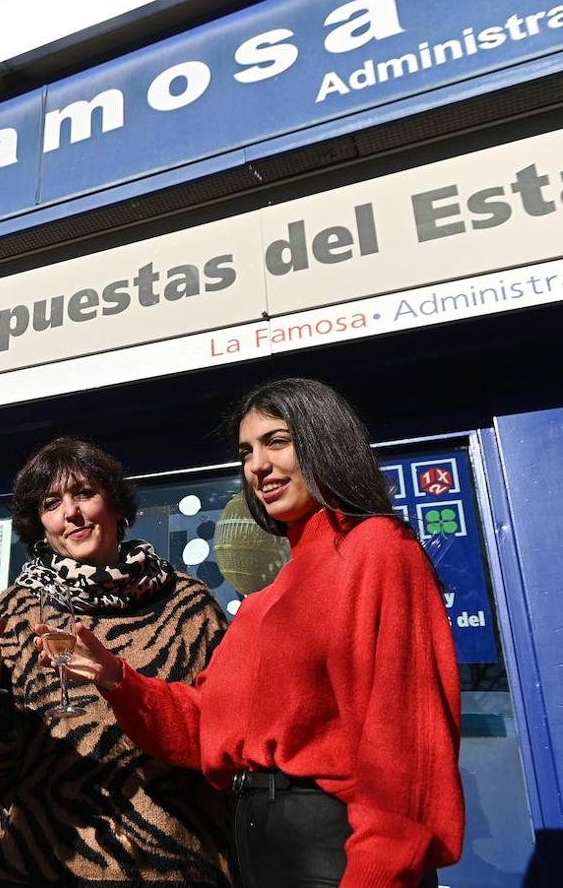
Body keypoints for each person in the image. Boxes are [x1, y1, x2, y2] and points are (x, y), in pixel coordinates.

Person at [48, 378, 464, 887]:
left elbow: (402, 745)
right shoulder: (271, 595)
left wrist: (380, 871)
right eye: (246, 451)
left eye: (277, 441)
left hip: (334, 850)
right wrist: (118, 678)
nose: (257, 466)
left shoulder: (376, 548)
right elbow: (207, 730)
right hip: (256, 845)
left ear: (324, 441)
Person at [0, 437, 234, 887]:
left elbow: (225, 737)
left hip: (172, 866)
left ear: (117, 507)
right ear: (40, 527)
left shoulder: (187, 606)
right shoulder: (16, 611)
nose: (71, 514)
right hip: (44, 865)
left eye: (84, 493)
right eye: (51, 503)